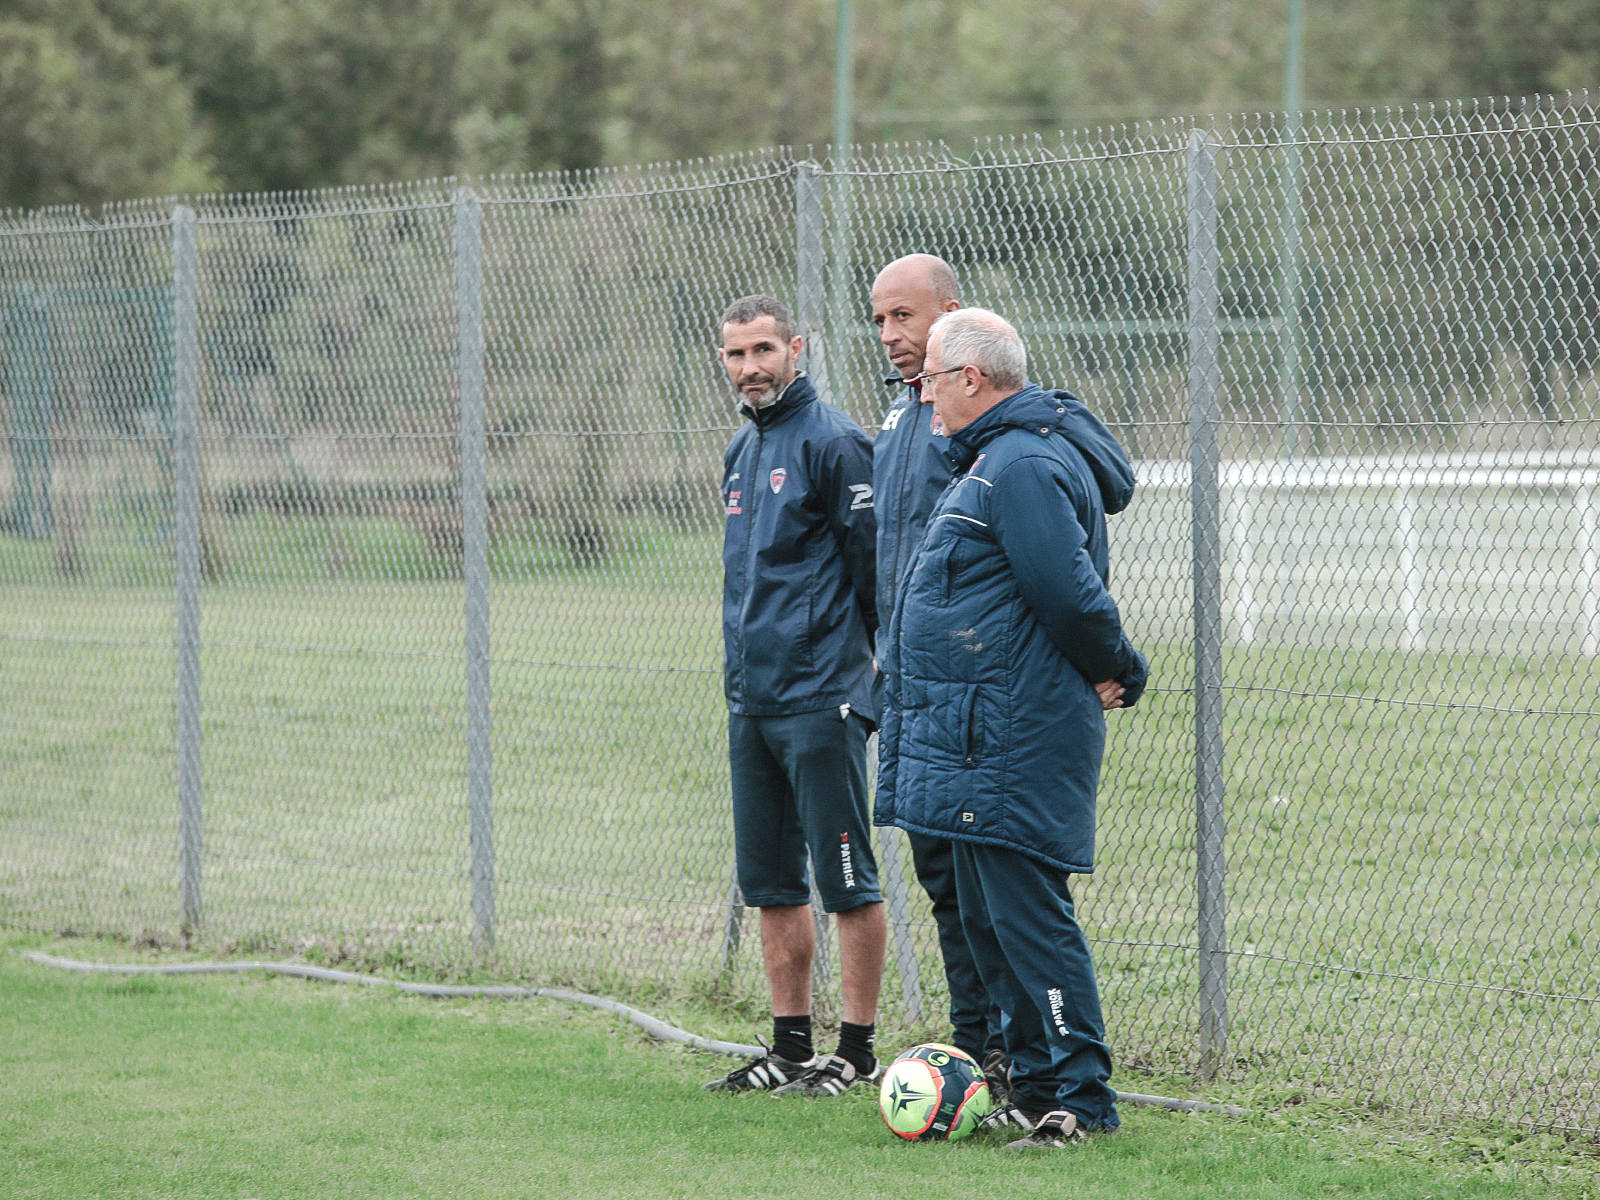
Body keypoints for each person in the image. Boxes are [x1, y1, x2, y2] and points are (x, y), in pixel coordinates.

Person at [875, 308, 1147, 1149]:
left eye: (928, 382)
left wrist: (1120, 667)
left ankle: (1082, 1099)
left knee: (1029, 917)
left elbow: (1066, 592)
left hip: (1010, 734)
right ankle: (1031, 1085)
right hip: (971, 736)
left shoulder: (1022, 464)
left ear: (972, 378)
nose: (921, 400)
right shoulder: (992, 459)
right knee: (991, 924)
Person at [702, 294, 889, 1099]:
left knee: (846, 879)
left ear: (797, 348)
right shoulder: (742, 451)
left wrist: (865, 682)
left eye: (764, 351)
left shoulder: (838, 443)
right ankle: (789, 1050)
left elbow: (876, 576)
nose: (751, 368)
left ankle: (855, 1052)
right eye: (737, 356)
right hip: (753, 703)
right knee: (772, 883)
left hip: (822, 701)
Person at [869, 254, 1012, 1094]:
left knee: (981, 875)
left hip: (970, 689)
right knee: (938, 876)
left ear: (951, 314)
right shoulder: (896, 419)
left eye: (904, 317)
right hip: (906, 690)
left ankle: (1012, 1052)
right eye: (879, 320)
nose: (890, 335)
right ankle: (972, 1051)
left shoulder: (978, 418)